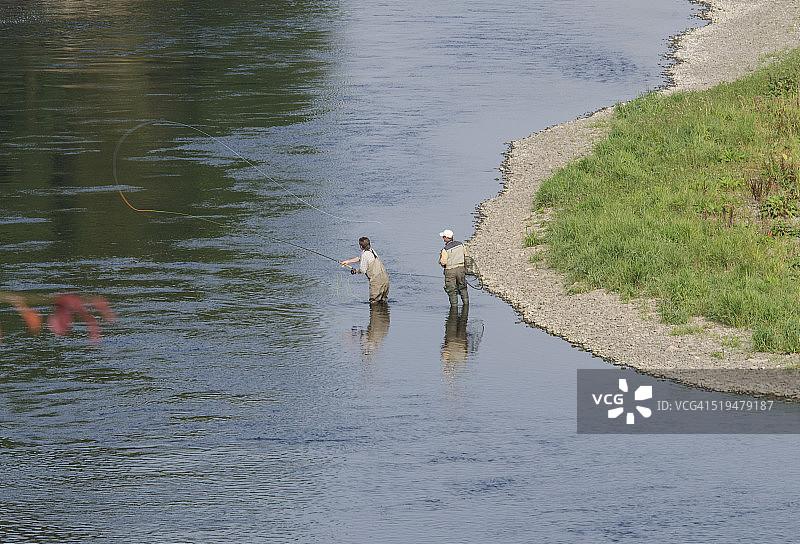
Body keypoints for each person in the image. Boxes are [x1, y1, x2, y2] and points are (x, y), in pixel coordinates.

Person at [340, 237, 390, 304]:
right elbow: (359, 258)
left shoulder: (364, 255)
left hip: (377, 282)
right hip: (385, 279)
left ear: (361, 246)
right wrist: (347, 261)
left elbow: (362, 270)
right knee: (383, 301)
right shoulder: (372, 251)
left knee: (374, 302)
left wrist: (358, 271)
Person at [438, 229, 469, 306]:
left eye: (443, 237)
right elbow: (466, 257)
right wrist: (465, 269)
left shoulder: (445, 249)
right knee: (463, 288)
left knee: (451, 290)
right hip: (461, 269)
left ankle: (454, 308)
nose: (443, 238)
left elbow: (443, 262)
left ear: (446, 238)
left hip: (450, 271)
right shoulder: (461, 245)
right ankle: (466, 305)